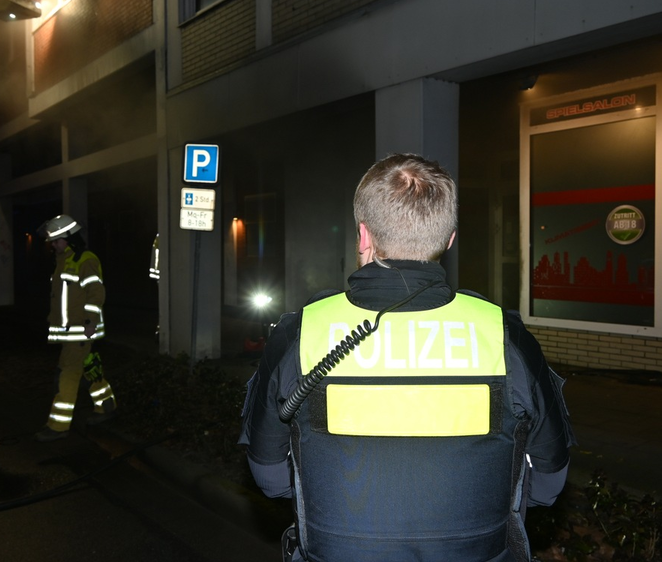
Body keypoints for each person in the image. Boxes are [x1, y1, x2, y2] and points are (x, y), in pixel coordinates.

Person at [239, 153, 575, 562]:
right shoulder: (504, 335)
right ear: (449, 238)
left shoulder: (302, 332)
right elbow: (547, 484)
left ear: (363, 236)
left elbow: (270, 477)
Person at [35, 214, 117, 442]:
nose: (53, 245)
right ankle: (106, 405)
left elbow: (96, 291)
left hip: (80, 330)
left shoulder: (85, 259)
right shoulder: (64, 260)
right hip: (72, 330)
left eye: (57, 240)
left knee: (67, 376)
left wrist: (90, 320)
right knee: (89, 368)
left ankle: (58, 426)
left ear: (70, 238)